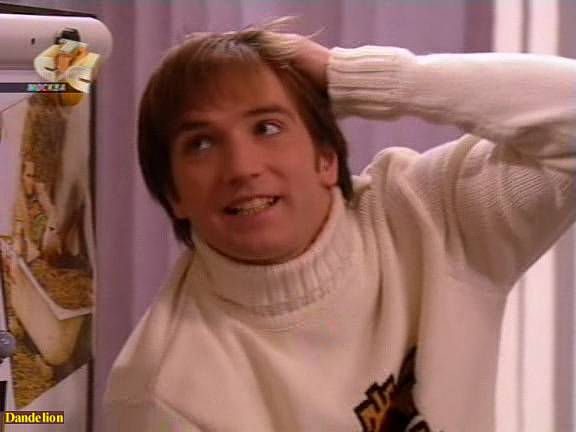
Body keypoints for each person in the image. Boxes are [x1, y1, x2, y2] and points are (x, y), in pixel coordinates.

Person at [103, 18, 576, 432]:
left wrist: (357, 77)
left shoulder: (434, 214)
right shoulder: (165, 391)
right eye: (201, 144)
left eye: (267, 127)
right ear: (174, 195)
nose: (242, 168)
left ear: (326, 158)